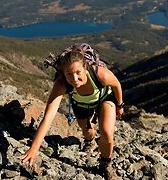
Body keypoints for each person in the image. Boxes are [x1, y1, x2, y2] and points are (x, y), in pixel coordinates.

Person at [19, 45, 124, 179]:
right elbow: (48, 117)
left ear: (85, 67)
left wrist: (120, 105)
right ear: (63, 73)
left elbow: (116, 85)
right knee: (87, 131)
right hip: (81, 104)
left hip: (104, 99)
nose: (74, 78)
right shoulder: (61, 84)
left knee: (107, 133)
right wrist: (34, 148)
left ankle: (105, 164)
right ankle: (90, 141)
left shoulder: (101, 74)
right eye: (69, 74)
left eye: (78, 72)